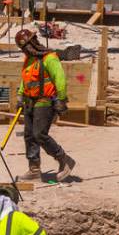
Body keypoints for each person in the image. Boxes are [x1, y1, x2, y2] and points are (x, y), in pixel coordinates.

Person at [14, 29, 77, 181]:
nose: (26, 50)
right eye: (23, 49)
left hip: (45, 101)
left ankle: (64, 159)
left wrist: (61, 99)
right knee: (29, 136)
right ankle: (34, 169)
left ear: (33, 43)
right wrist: (20, 96)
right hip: (30, 101)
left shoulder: (50, 58)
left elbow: (60, 79)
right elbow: (26, 79)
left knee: (39, 134)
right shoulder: (29, 59)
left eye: (27, 47)